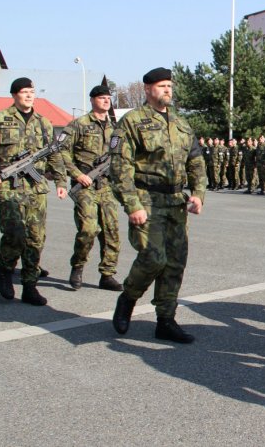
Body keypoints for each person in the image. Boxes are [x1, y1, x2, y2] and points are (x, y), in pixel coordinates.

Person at [109, 67, 207, 343]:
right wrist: (132, 205)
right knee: (154, 258)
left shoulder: (181, 124)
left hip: (176, 202)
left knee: (175, 263)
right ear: (148, 89)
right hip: (146, 201)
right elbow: (119, 167)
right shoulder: (132, 122)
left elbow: (196, 161)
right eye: (162, 86)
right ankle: (128, 297)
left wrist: (198, 193)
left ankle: (165, 320)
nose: (168, 90)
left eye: (170, 86)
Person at [0, 77, 68, 305]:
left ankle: (30, 285)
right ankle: (5, 269)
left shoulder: (44, 122)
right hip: (8, 185)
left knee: (36, 237)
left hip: (36, 186)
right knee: (14, 232)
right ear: (14, 95)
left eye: (31, 92)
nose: (29, 95)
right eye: (24, 92)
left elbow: (54, 153)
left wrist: (61, 182)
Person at [61, 85, 123, 291]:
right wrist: (77, 174)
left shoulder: (115, 128)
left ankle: (107, 274)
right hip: (85, 185)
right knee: (88, 230)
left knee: (111, 230)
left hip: (106, 186)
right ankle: (77, 266)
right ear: (92, 100)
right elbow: (61, 153)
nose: (106, 101)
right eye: (102, 98)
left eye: (108, 98)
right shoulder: (79, 124)